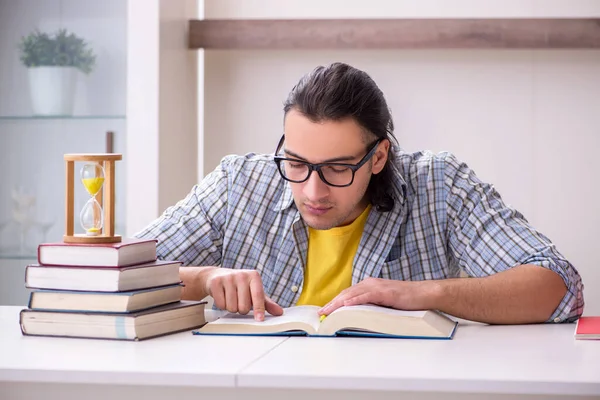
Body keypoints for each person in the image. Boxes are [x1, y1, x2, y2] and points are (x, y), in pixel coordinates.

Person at [135, 62, 584, 325]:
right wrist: (203, 280)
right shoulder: (238, 184)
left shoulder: (439, 184)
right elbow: (109, 278)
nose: (312, 190)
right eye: (295, 163)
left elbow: (558, 287)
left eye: (337, 169)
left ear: (378, 156)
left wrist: (427, 294)